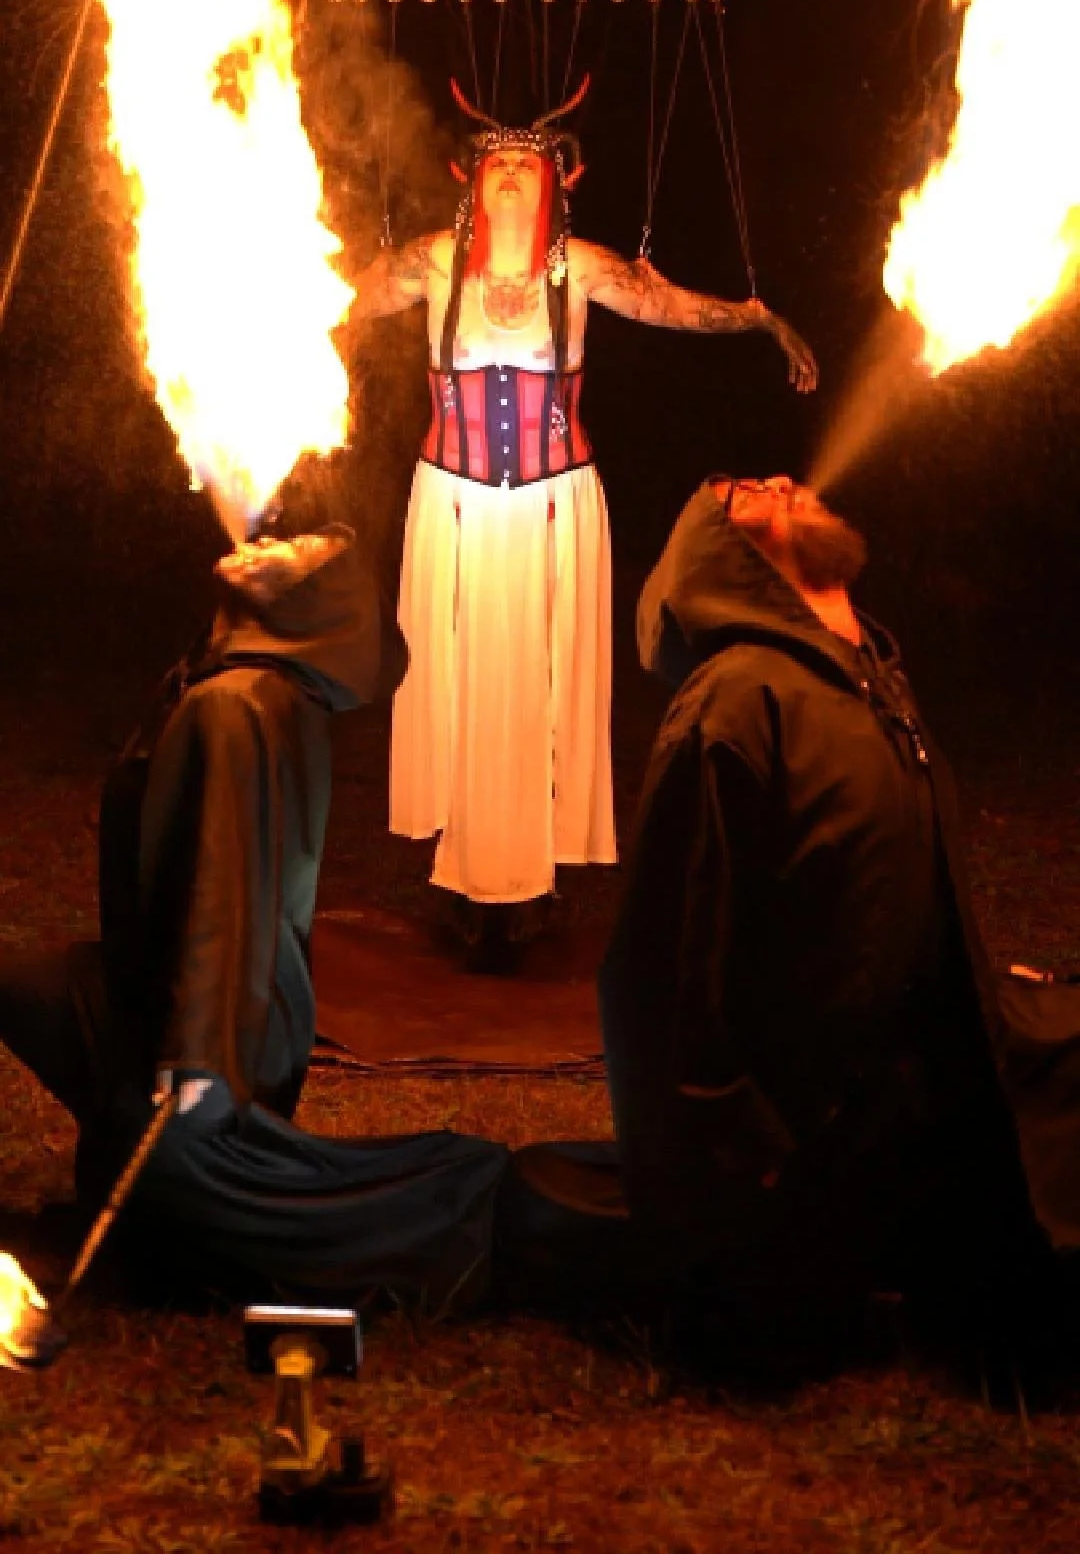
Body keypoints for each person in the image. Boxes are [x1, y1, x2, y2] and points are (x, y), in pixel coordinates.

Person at [497, 477, 1078, 1355]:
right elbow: (667, 983)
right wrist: (737, 1179)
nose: (779, 480)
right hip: (814, 1159)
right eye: (739, 494)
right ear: (723, 559)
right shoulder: (739, 704)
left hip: (921, 1090)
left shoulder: (868, 681)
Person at [345, 97, 819, 951]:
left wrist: (760, 318)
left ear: (561, 182)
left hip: (552, 502)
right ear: (473, 180)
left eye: (533, 160)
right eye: (499, 160)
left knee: (536, 685)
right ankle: (464, 877)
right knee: (457, 680)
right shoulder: (429, 264)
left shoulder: (587, 270)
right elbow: (330, 304)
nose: (517, 170)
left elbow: (677, 306)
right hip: (451, 503)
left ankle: (530, 880)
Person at [0, 525, 508, 1313]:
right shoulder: (245, 687)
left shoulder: (237, 705)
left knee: (177, 1182)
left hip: (193, 1028)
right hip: (168, 995)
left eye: (311, 549)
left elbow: (223, 893)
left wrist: (198, 1061)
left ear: (317, 607)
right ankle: (144, 1186)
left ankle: (169, 1204)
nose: (282, 535)